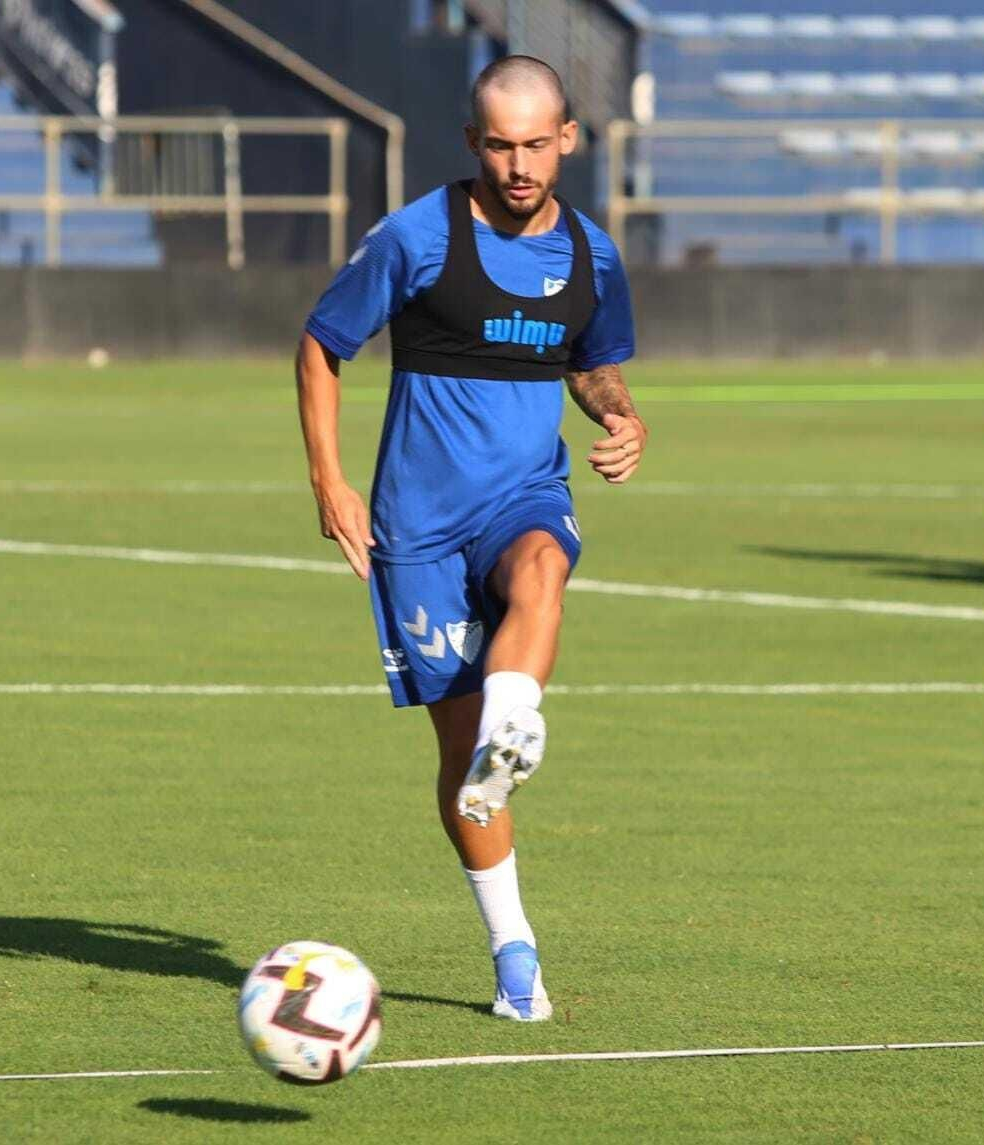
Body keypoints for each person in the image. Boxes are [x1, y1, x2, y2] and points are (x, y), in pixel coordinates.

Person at [294, 56, 645, 1021]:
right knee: (462, 761)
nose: (521, 163)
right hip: (417, 526)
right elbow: (323, 345)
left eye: (538, 143)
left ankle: (517, 717)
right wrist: (331, 480)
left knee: (543, 567)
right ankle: (514, 949)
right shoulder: (418, 237)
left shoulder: (593, 255)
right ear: (473, 143)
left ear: (569, 138)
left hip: (523, 493)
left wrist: (622, 417)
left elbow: (596, 363)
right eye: (501, 144)